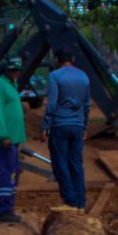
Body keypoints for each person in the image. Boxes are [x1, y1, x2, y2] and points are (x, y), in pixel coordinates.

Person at [41, 49, 91, 210]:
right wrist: (84, 126)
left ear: (56, 59)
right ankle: (81, 203)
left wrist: (45, 125)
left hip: (60, 125)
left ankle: (70, 201)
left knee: (60, 162)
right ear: (73, 58)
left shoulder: (55, 76)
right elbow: (87, 104)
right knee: (76, 162)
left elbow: (52, 104)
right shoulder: (84, 77)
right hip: (77, 126)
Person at [0, 56, 26, 223]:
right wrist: (4, 135)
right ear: (6, 69)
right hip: (6, 139)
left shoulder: (12, 85)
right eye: (12, 70)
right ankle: (3, 210)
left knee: (13, 174)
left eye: (17, 70)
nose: (15, 73)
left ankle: (9, 207)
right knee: (7, 173)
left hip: (14, 139)